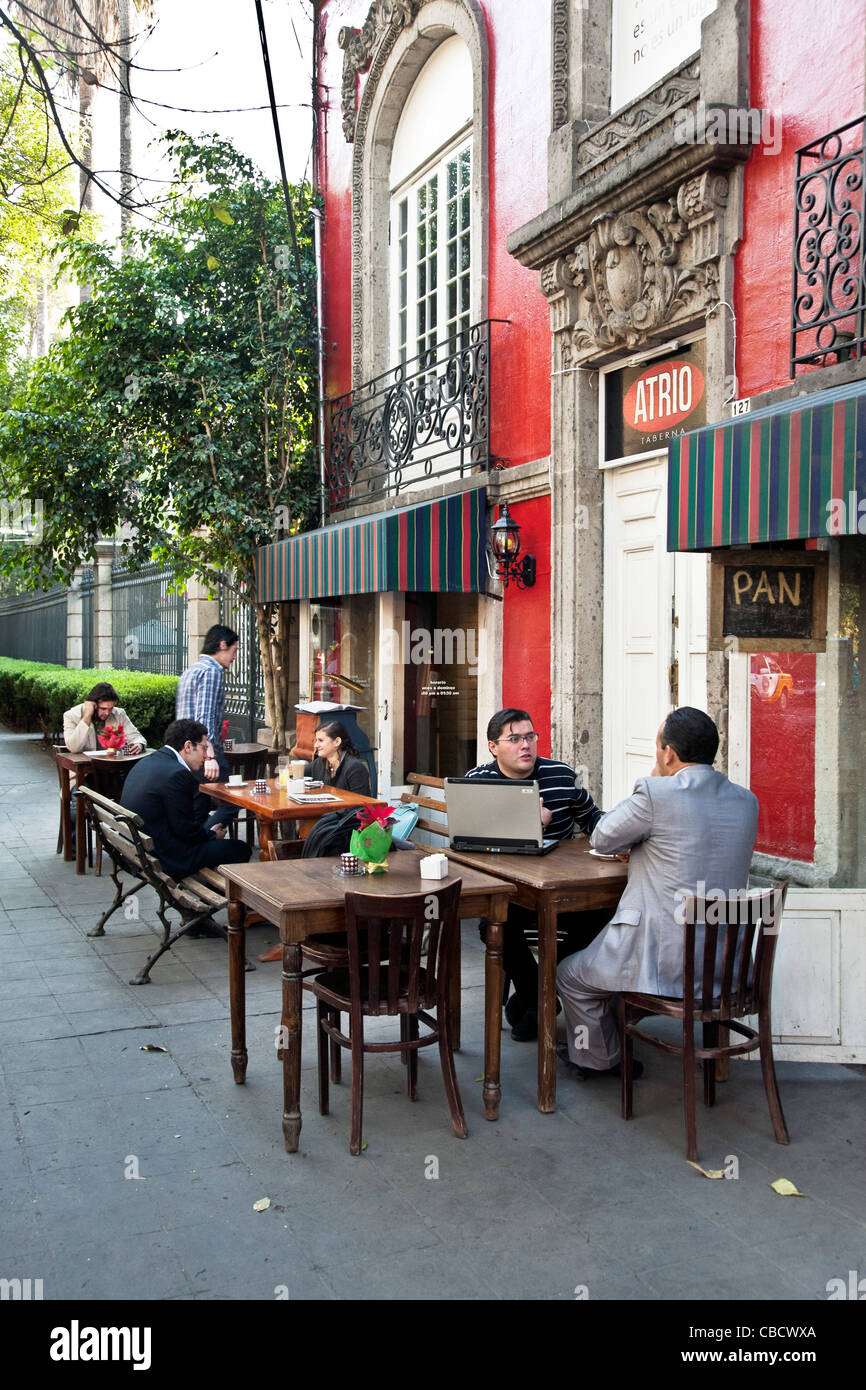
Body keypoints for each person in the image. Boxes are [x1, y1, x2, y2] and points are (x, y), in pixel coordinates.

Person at [556, 707, 759, 1080]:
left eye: (657, 749)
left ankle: (593, 1056)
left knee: (569, 975)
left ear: (667, 753)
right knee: (603, 968)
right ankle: (618, 1031)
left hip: (663, 961)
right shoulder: (747, 801)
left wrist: (653, 783)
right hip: (725, 967)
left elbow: (601, 836)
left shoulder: (656, 791)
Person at [465, 708, 607, 1041]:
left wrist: (623, 839)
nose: (525, 745)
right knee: (494, 925)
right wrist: (532, 823)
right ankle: (540, 997)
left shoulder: (560, 775)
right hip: (511, 895)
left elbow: (596, 824)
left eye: (530, 736)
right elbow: (470, 842)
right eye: (514, 739)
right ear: (493, 747)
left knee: (603, 912)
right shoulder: (478, 782)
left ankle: (533, 996)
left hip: (561, 893)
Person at [120, 718, 251, 885]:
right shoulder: (177, 774)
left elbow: (183, 826)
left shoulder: (147, 761)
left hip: (140, 852)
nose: (206, 756)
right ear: (188, 746)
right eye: (204, 749)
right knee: (240, 849)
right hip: (167, 858)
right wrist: (212, 834)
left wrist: (206, 834)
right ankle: (216, 902)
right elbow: (184, 829)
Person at [175, 624, 239, 830]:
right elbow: (204, 718)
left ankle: (198, 849)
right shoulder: (211, 671)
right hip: (204, 753)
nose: (234, 657)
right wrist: (210, 756)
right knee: (233, 801)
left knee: (199, 806)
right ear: (222, 645)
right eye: (234, 650)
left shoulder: (191, 670)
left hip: (186, 752)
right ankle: (205, 839)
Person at [63, 683, 146, 755]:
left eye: (110, 709)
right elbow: (73, 748)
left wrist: (139, 744)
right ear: (93, 705)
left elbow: (136, 737)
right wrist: (86, 717)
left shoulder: (119, 714)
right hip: (85, 770)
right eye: (103, 709)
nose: (107, 713)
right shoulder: (71, 715)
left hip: (114, 767)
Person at [305, 721, 371, 795]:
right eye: (316, 740)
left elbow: (361, 803)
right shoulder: (318, 763)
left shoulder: (355, 768)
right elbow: (299, 774)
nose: (315, 745)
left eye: (321, 740)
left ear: (337, 742)